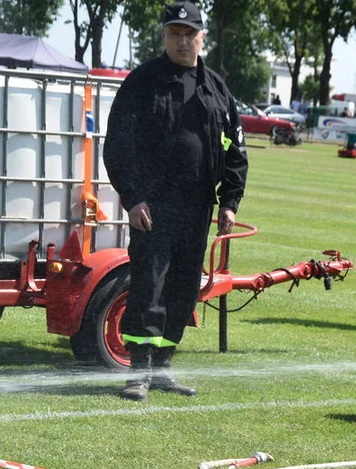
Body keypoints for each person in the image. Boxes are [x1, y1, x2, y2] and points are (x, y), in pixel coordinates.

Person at [103, 1, 248, 401]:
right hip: (152, 206)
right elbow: (117, 146)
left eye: (190, 34)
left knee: (184, 287)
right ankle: (139, 371)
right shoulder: (142, 82)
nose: (183, 41)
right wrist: (133, 199)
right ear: (164, 36)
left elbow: (236, 149)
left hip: (198, 205)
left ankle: (165, 366)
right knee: (149, 285)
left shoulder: (217, 89)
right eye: (175, 33)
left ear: (202, 38)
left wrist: (230, 201)